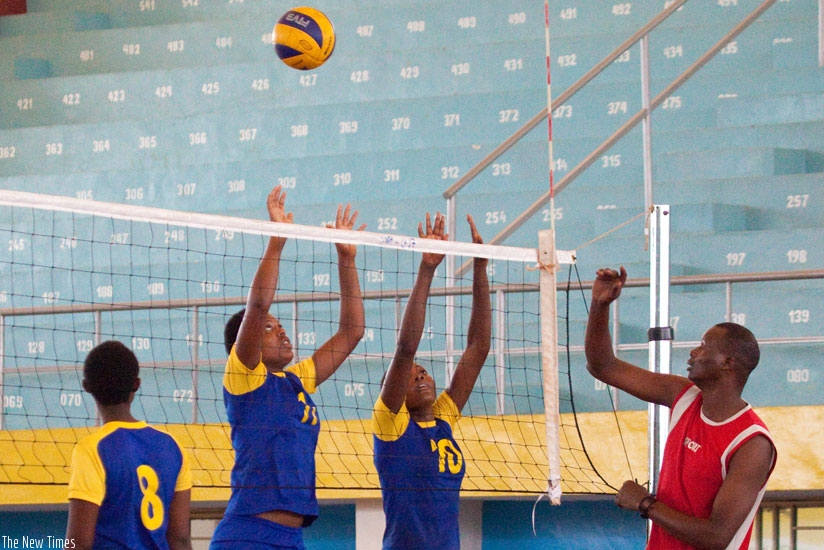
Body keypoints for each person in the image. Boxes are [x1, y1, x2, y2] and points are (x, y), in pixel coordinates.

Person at [210, 185, 365, 549]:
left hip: (292, 538)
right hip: (248, 535)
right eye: (269, 328)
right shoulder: (244, 377)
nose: (281, 331)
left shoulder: (295, 381)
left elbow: (352, 331)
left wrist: (346, 259)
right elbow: (258, 305)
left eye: (280, 325)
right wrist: (277, 240)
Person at [584, 266, 777, 550]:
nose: (693, 352)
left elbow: (716, 537)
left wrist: (645, 503)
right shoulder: (683, 395)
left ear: (727, 363)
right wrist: (600, 305)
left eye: (703, 346)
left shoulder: (752, 443)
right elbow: (602, 366)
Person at [372, 212, 491, 550]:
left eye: (422, 371)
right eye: (410, 376)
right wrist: (427, 269)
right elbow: (405, 349)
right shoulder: (391, 425)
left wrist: (479, 269)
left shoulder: (442, 419)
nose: (420, 375)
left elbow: (479, 347)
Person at [66, 340, 193, 550]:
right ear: (136, 384)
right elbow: (180, 539)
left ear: (86, 386)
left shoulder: (92, 450)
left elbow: (78, 544)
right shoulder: (172, 447)